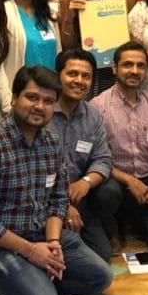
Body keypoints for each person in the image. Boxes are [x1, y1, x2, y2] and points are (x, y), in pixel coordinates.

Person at [0, 65, 113, 295]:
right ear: (15, 98)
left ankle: (31, 279)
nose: (40, 106)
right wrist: (30, 252)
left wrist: (53, 243)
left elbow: (57, 200)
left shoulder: (51, 143)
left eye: (48, 101)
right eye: (32, 97)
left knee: (100, 278)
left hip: (41, 233)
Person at [92, 43, 148, 253]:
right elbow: (97, 158)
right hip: (113, 181)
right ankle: (113, 231)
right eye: (127, 65)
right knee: (106, 194)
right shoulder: (98, 105)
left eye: (140, 66)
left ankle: (135, 220)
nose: (134, 71)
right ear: (114, 68)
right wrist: (129, 180)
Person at [47, 49, 120, 262]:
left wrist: (86, 182)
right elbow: (36, 172)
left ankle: (98, 227)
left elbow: (103, 159)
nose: (79, 81)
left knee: (102, 255)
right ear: (58, 75)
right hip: (45, 198)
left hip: (80, 195)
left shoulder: (92, 114)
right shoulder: (44, 112)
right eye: (72, 74)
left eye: (86, 76)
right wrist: (63, 205)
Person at [0, 0, 61, 112]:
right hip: (18, 100)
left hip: (48, 99)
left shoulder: (49, 13)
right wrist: (7, 102)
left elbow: (59, 54)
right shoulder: (1, 12)